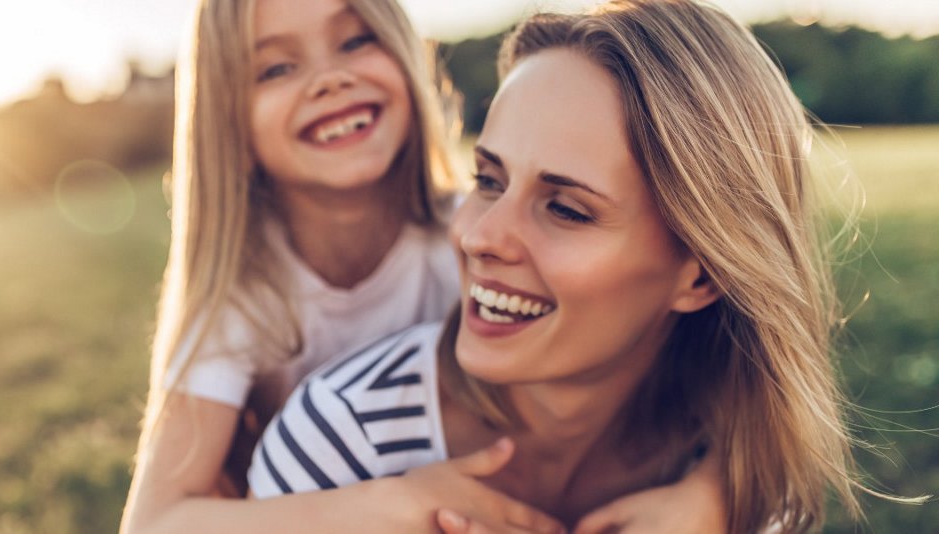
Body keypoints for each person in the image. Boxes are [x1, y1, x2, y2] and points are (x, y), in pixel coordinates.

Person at [249, 0, 900, 532]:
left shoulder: (736, 479)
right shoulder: (335, 450)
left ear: (700, 276)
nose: (480, 236)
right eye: (488, 179)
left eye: (566, 209)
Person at [123, 0, 724, 531]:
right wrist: (375, 508)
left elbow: (721, 378)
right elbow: (154, 522)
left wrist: (716, 492)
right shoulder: (242, 299)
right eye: (276, 67)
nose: (330, 78)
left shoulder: (470, 231)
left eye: (357, 40)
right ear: (227, 118)